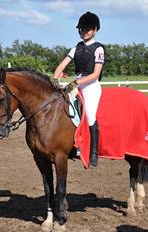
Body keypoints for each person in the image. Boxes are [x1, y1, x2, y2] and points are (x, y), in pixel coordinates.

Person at [52, 11, 105, 168]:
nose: (84, 32)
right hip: (77, 84)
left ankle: (94, 152)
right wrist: (54, 77)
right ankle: (73, 146)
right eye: (82, 29)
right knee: (66, 112)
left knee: (89, 115)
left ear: (95, 30)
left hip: (91, 86)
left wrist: (77, 82)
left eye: (87, 29)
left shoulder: (99, 49)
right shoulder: (76, 48)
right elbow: (63, 64)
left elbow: (95, 74)